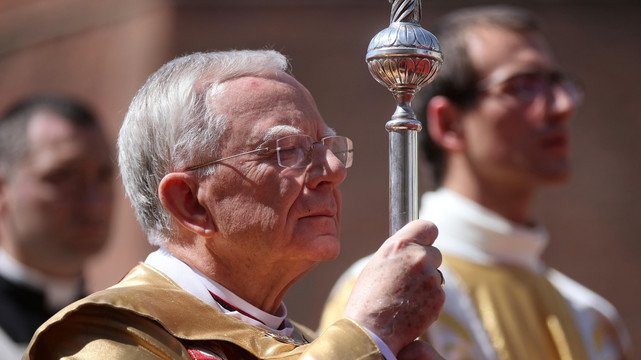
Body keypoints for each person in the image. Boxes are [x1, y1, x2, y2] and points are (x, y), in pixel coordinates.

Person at [321, 5, 641, 360]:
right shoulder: (385, 298)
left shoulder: (591, 317)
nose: (562, 107)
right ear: (449, 124)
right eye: (523, 86)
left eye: (556, 83)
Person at [24, 49, 445, 360]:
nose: (332, 168)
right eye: (286, 149)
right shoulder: (107, 340)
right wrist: (367, 337)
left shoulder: (309, 344)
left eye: (327, 145)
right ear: (190, 203)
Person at [0, 94, 115, 358]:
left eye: (103, 175)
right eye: (62, 176)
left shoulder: (124, 328)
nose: (94, 202)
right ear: (2, 190)